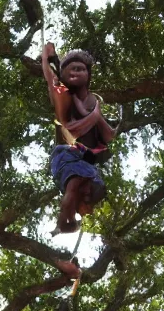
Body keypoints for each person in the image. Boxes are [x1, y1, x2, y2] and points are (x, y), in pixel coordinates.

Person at [41, 43, 116, 233]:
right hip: (68, 153)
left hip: (86, 158)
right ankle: (65, 221)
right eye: (71, 68)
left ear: (88, 76)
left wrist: (97, 116)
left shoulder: (91, 102)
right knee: (75, 184)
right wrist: (47, 56)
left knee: (92, 185)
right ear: (63, 73)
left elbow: (108, 135)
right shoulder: (63, 95)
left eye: (81, 69)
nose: (76, 71)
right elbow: (52, 77)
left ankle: (78, 211)